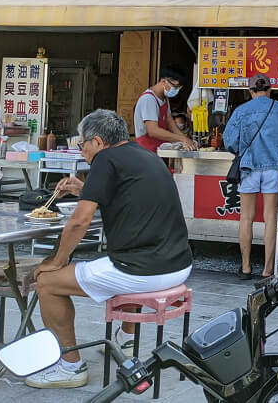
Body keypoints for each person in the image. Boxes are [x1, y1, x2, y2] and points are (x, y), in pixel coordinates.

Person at [29, 110, 192, 390]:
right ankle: (126, 343)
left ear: (98, 141)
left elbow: (80, 221)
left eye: (83, 145)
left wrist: (57, 260)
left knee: (46, 282)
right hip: (178, 264)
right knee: (113, 266)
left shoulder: (105, 159)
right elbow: (128, 196)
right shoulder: (145, 156)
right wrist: (85, 188)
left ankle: (70, 366)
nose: (83, 151)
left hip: (144, 269)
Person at [223, 73, 278, 279]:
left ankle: (246, 267)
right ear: (269, 89)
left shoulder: (240, 111)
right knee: (270, 218)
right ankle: (267, 269)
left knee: (246, 218)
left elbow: (229, 141)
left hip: (248, 167)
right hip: (274, 167)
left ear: (250, 91)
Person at [133, 65, 197, 154]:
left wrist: (184, 138)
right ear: (163, 81)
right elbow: (153, 131)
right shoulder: (148, 99)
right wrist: (181, 138)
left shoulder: (164, 98)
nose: (176, 90)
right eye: (175, 87)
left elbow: (169, 121)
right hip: (146, 151)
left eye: (179, 88)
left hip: (158, 149)